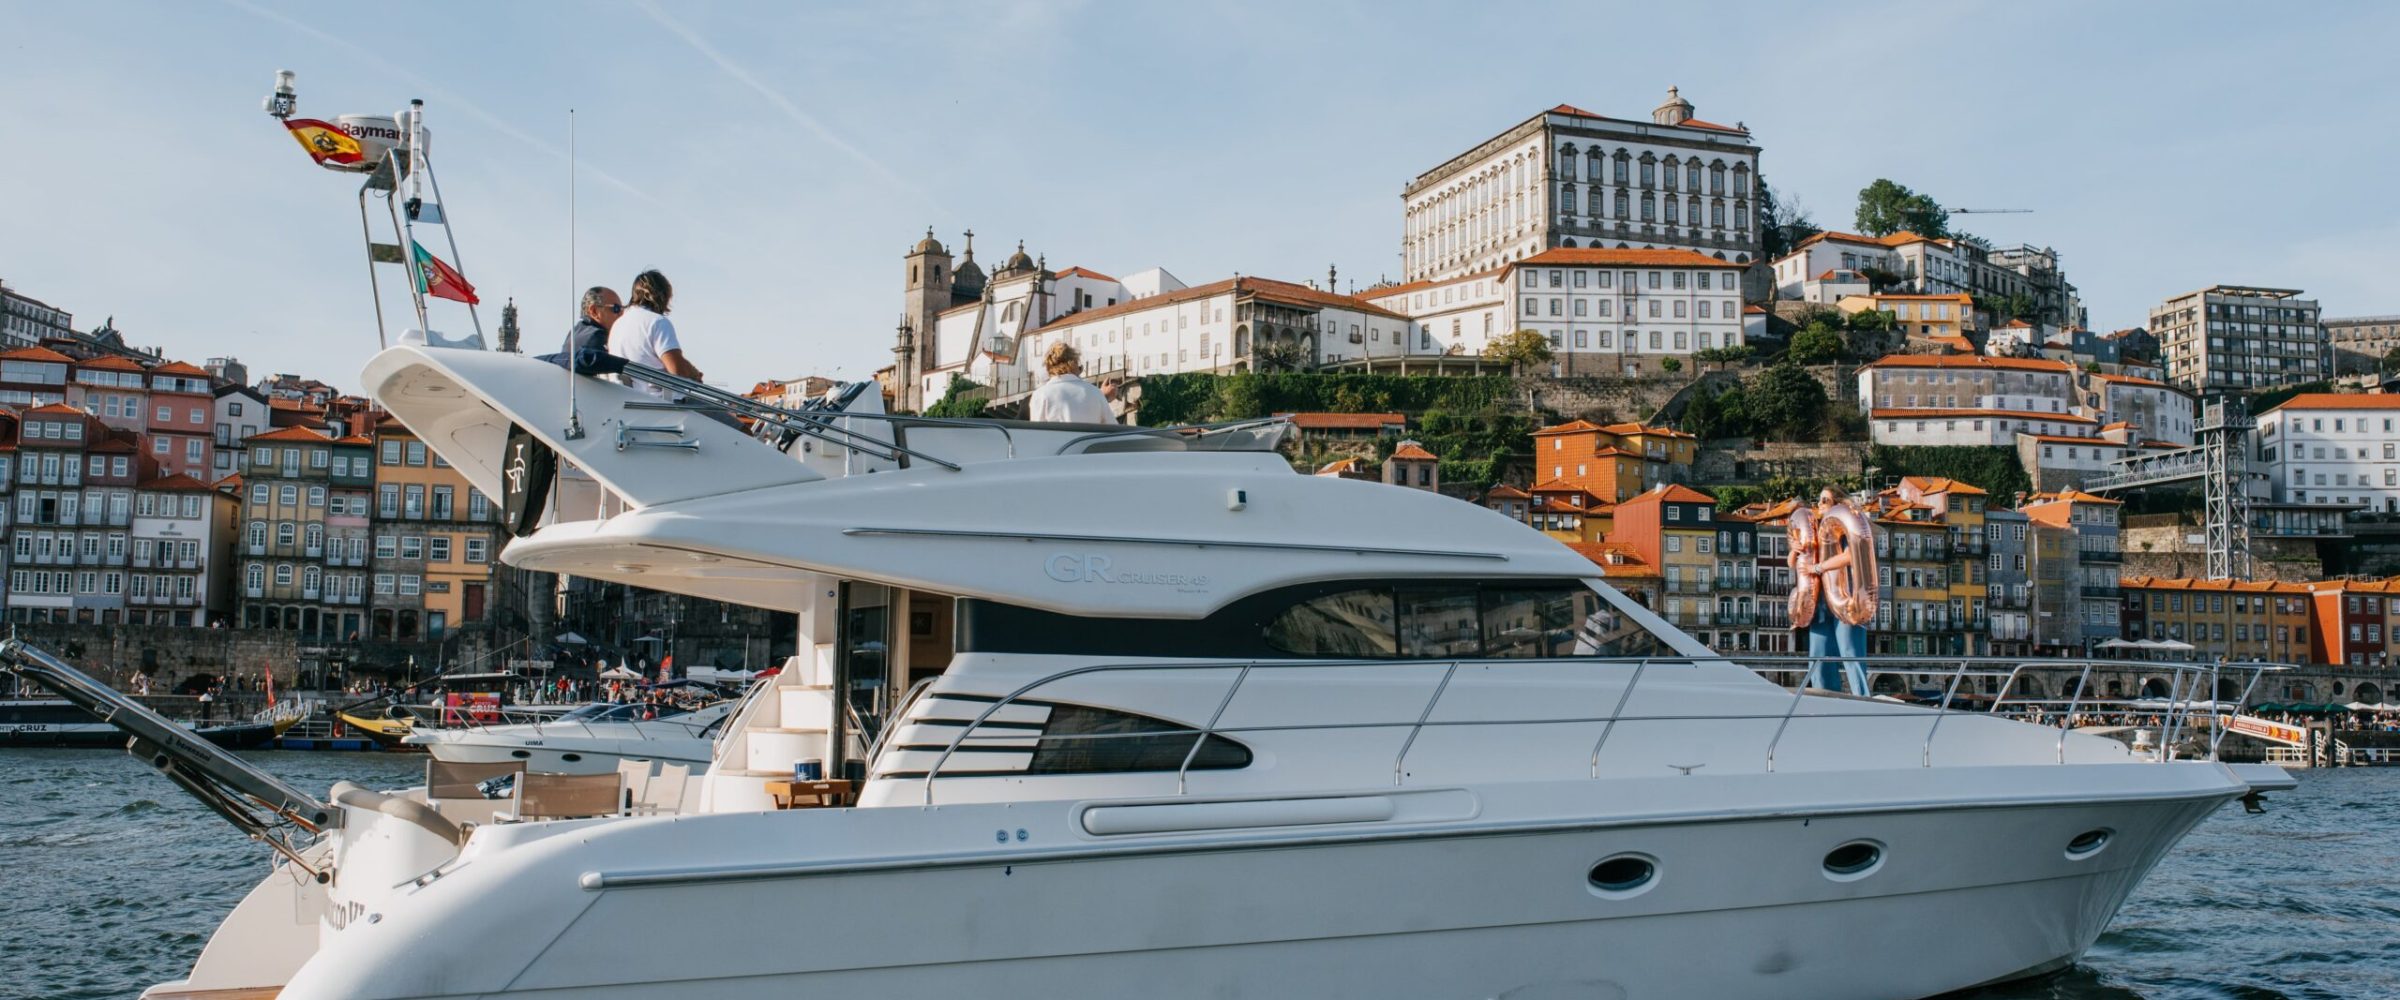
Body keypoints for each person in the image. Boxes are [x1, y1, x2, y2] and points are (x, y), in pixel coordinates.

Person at [607, 270, 704, 397]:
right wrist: (693, 374)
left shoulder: (617, 325)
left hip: (627, 399)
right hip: (660, 401)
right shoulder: (657, 322)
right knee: (720, 410)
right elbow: (677, 370)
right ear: (663, 296)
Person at [1027, 342, 1114, 424]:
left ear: (1048, 368)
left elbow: (1036, 432)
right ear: (1074, 363)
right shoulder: (1095, 393)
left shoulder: (1040, 395)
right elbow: (1113, 428)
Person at [563, 286, 622, 357]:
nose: (622, 314)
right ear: (594, 311)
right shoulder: (597, 337)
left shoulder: (573, 333)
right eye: (616, 309)